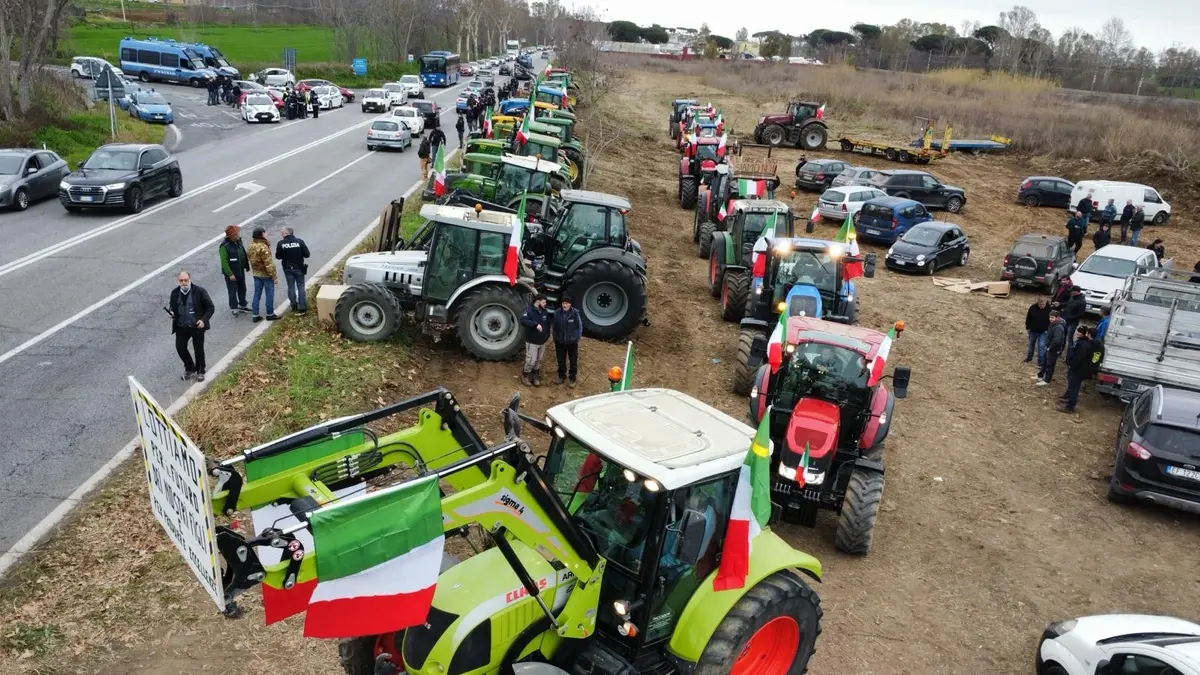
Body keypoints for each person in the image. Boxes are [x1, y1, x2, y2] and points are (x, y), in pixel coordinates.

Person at [168, 271, 215, 382]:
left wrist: (203, 320)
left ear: (190, 279)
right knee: (180, 348)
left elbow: (210, 307)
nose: (184, 283)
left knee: (198, 349)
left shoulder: (199, 291)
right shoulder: (174, 293)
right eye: (181, 281)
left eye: (186, 280)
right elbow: (172, 306)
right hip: (181, 326)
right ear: (178, 281)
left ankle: (200, 371)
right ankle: (189, 368)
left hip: (197, 327)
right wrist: (172, 313)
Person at [1058, 325, 1096, 413]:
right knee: (1072, 386)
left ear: (1085, 334)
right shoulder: (1080, 342)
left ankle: (1070, 407)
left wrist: (1072, 365)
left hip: (1078, 370)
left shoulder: (1083, 345)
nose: (1078, 333)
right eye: (1077, 331)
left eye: (1080, 332)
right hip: (1076, 368)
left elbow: (1079, 358)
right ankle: (1069, 400)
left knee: (1074, 387)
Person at [275, 226, 311, 315]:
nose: (282, 235)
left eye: (282, 233)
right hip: (299, 267)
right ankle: (302, 307)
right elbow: (307, 255)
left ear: (287, 233)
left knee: (291, 287)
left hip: (287, 268)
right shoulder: (300, 242)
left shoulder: (281, 243)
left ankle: (293, 305)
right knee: (301, 286)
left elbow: (278, 256)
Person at [248, 227, 280, 322]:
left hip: (256, 274)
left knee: (257, 294)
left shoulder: (251, 246)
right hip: (266, 275)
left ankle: (255, 314)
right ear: (261, 235)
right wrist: (274, 276)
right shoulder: (263, 247)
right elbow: (268, 263)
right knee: (269, 294)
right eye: (265, 233)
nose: (267, 234)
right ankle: (270, 314)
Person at [218, 224, 250, 316]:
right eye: (237, 233)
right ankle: (234, 308)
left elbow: (242, 253)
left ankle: (243, 305)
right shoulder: (224, 246)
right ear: (232, 236)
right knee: (232, 291)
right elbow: (224, 261)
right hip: (232, 273)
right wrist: (230, 273)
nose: (238, 234)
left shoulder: (238, 241)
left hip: (240, 270)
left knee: (242, 288)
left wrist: (246, 265)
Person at [520, 294, 551, 386]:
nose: (545, 304)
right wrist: (535, 324)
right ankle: (525, 375)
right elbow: (523, 320)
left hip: (542, 341)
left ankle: (535, 376)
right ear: (538, 301)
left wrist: (547, 335)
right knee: (531, 360)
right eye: (543, 302)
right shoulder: (529, 310)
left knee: (538, 360)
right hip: (532, 341)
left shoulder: (544, 311)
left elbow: (548, 324)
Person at [552, 295, 582, 387]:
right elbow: (554, 327)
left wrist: (576, 338)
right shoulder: (557, 313)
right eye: (563, 303)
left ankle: (572, 378)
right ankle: (561, 376)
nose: (565, 305)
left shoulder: (575, 313)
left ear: (570, 304)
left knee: (573, 361)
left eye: (567, 303)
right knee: (561, 360)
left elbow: (579, 327)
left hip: (572, 342)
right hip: (560, 342)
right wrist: (556, 338)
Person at [1036, 311, 1066, 386]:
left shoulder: (1059, 327)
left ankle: (1047, 380)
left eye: (1052, 317)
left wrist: (1050, 347)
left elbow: (1057, 340)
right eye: (1050, 317)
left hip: (1053, 349)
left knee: (1050, 364)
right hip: (1049, 347)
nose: (1050, 319)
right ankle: (1040, 376)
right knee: (1045, 362)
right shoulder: (1053, 324)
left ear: (1057, 318)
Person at [1061, 286, 1086, 362]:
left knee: (1069, 339)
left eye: (1072, 291)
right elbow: (1067, 304)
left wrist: (1070, 317)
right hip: (1066, 320)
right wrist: (1060, 304)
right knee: (1063, 337)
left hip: (1072, 323)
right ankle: (1060, 352)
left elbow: (1080, 314)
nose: (1071, 292)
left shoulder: (1082, 302)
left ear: (1077, 291)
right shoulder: (1072, 297)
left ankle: (1069, 357)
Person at [1024, 297, 1051, 366]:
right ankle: (1029, 358)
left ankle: (1040, 362)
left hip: (1043, 332)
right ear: (1038, 303)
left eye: (1043, 304)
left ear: (1046, 303)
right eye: (1040, 304)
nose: (1042, 306)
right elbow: (1028, 318)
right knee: (1031, 344)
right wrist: (1028, 327)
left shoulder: (1049, 309)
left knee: (1041, 346)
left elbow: (1051, 321)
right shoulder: (1032, 308)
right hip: (1033, 330)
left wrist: (1048, 330)